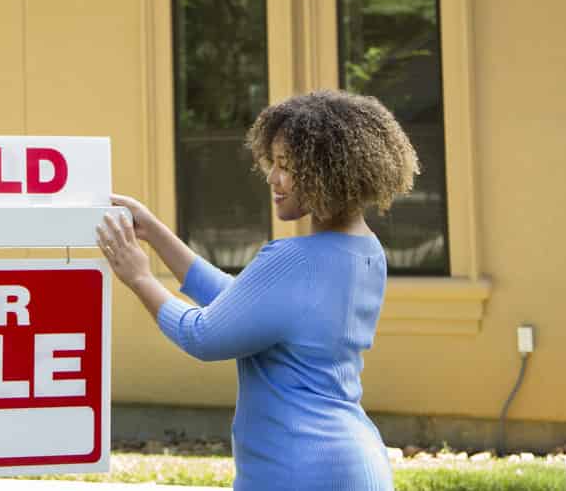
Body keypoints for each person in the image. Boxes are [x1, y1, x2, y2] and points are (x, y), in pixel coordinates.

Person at [96, 89, 419, 491]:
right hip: (352, 464)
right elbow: (248, 304)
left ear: (326, 170)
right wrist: (156, 234)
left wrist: (139, 278)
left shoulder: (297, 258)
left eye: (287, 165)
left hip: (301, 470)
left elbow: (203, 334)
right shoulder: (367, 251)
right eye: (274, 162)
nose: (272, 177)